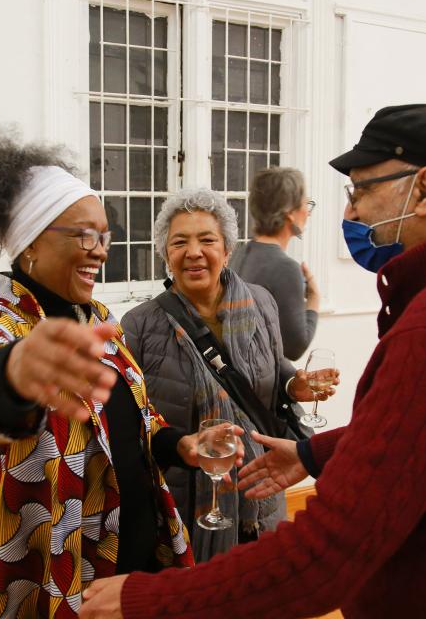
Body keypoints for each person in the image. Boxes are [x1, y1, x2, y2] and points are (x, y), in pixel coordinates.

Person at [78, 104, 426, 619]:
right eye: (179, 242)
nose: (352, 214)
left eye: (360, 191)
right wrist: (312, 453)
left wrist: (148, 599)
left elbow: (328, 554)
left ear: (424, 190)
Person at [0, 127, 245, 618]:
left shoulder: (98, 319)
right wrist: (14, 371)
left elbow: (135, 419)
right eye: (85, 235)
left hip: (135, 555)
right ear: (31, 242)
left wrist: (180, 445)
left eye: (104, 235)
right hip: (49, 574)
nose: (101, 250)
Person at [121, 189, 331, 562]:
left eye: (207, 240)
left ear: (227, 249)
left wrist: (292, 384)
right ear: (165, 254)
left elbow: (272, 365)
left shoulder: (261, 302)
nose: (194, 252)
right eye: (179, 242)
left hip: (260, 487)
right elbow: (132, 423)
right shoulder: (140, 325)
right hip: (184, 504)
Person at [230, 167, 320, 360]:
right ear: (290, 213)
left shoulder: (239, 253)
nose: (308, 212)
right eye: (306, 203)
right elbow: (294, 349)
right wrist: (314, 299)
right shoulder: (285, 268)